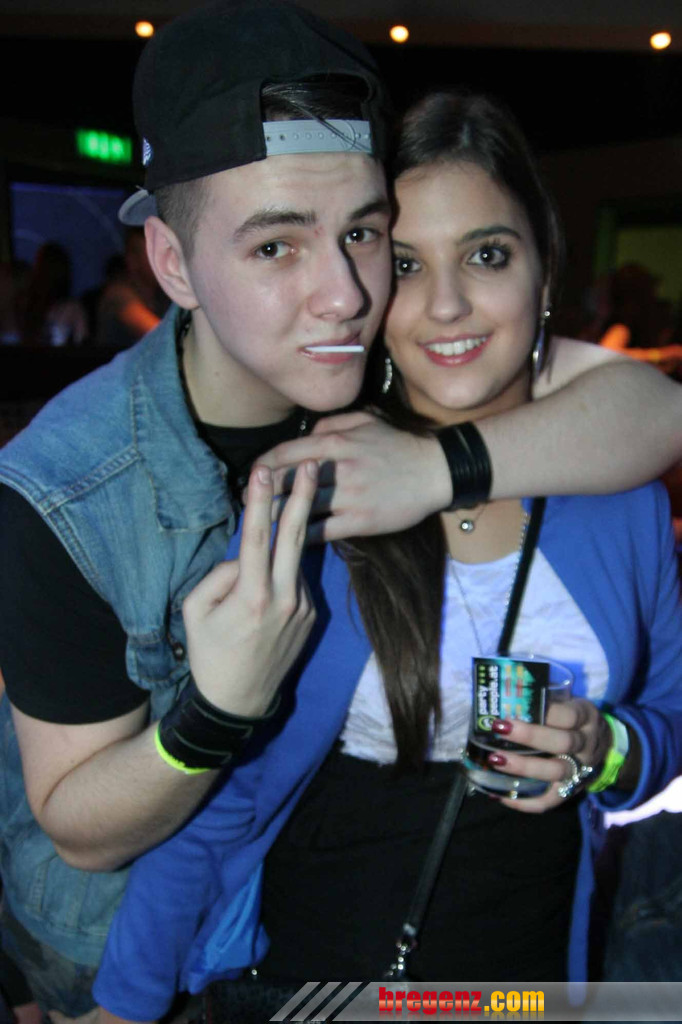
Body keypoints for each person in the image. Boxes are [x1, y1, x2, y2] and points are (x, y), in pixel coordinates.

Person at [0, 1, 680, 1013]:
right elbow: (125, 824)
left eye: (364, 235)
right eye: (276, 246)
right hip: (184, 958)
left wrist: (604, 746)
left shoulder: (553, 456)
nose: (351, 296)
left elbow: (653, 414)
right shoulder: (105, 486)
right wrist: (217, 714)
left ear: (544, 265)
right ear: (173, 265)